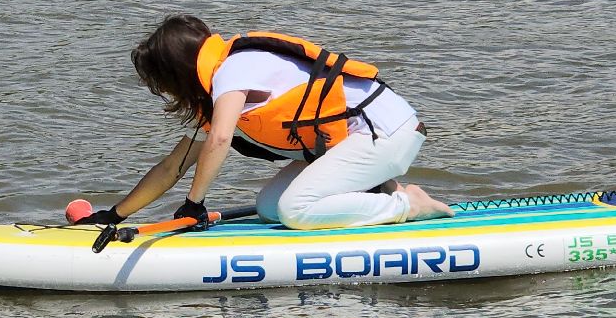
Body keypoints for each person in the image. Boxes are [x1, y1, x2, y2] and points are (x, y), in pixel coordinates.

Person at [81, 14, 453, 230]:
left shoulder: (232, 71)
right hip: (365, 139)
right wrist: (115, 214)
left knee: (295, 210)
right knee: (271, 207)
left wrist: (195, 203)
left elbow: (221, 139)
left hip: (385, 132)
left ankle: (407, 205)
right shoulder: (223, 85)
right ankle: (378, 190)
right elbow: (172, 166)